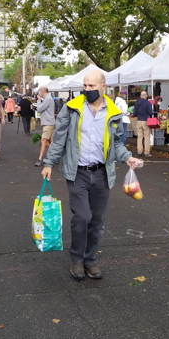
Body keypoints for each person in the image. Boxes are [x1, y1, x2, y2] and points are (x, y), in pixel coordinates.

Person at [41, 69, 140, 280]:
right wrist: (49, 163)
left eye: (91, 86)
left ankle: (90, 259)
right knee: (82, 216)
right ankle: (77, 258)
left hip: (102, 173)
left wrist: (127, 157)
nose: (87, 90)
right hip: (77, 173)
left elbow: (116, 143)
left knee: (97, 221)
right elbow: (59, 139)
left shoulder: (113, 112)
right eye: (85, 86)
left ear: (103, 87)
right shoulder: (72, 108)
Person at [35, 86, 56, 167]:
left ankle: (40, 159)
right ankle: (52, 158)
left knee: (43, 140)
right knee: (51, 141)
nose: (39, 93)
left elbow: (39, 109)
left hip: (48, 123)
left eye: (40, 91)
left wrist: (39, 100)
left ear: (43, 91)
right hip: (50, 122)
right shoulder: (49, 98)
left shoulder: (47, 99)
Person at [133, 90, 153, 158]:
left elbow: (134, 113)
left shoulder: (137, 103)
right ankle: (146, 152)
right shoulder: (147, 103)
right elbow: (150, 113)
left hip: (139, 121)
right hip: (145, 120)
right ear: (146, 96)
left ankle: (139, 151)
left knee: (139, 136)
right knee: (146, 137)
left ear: (141, 96)